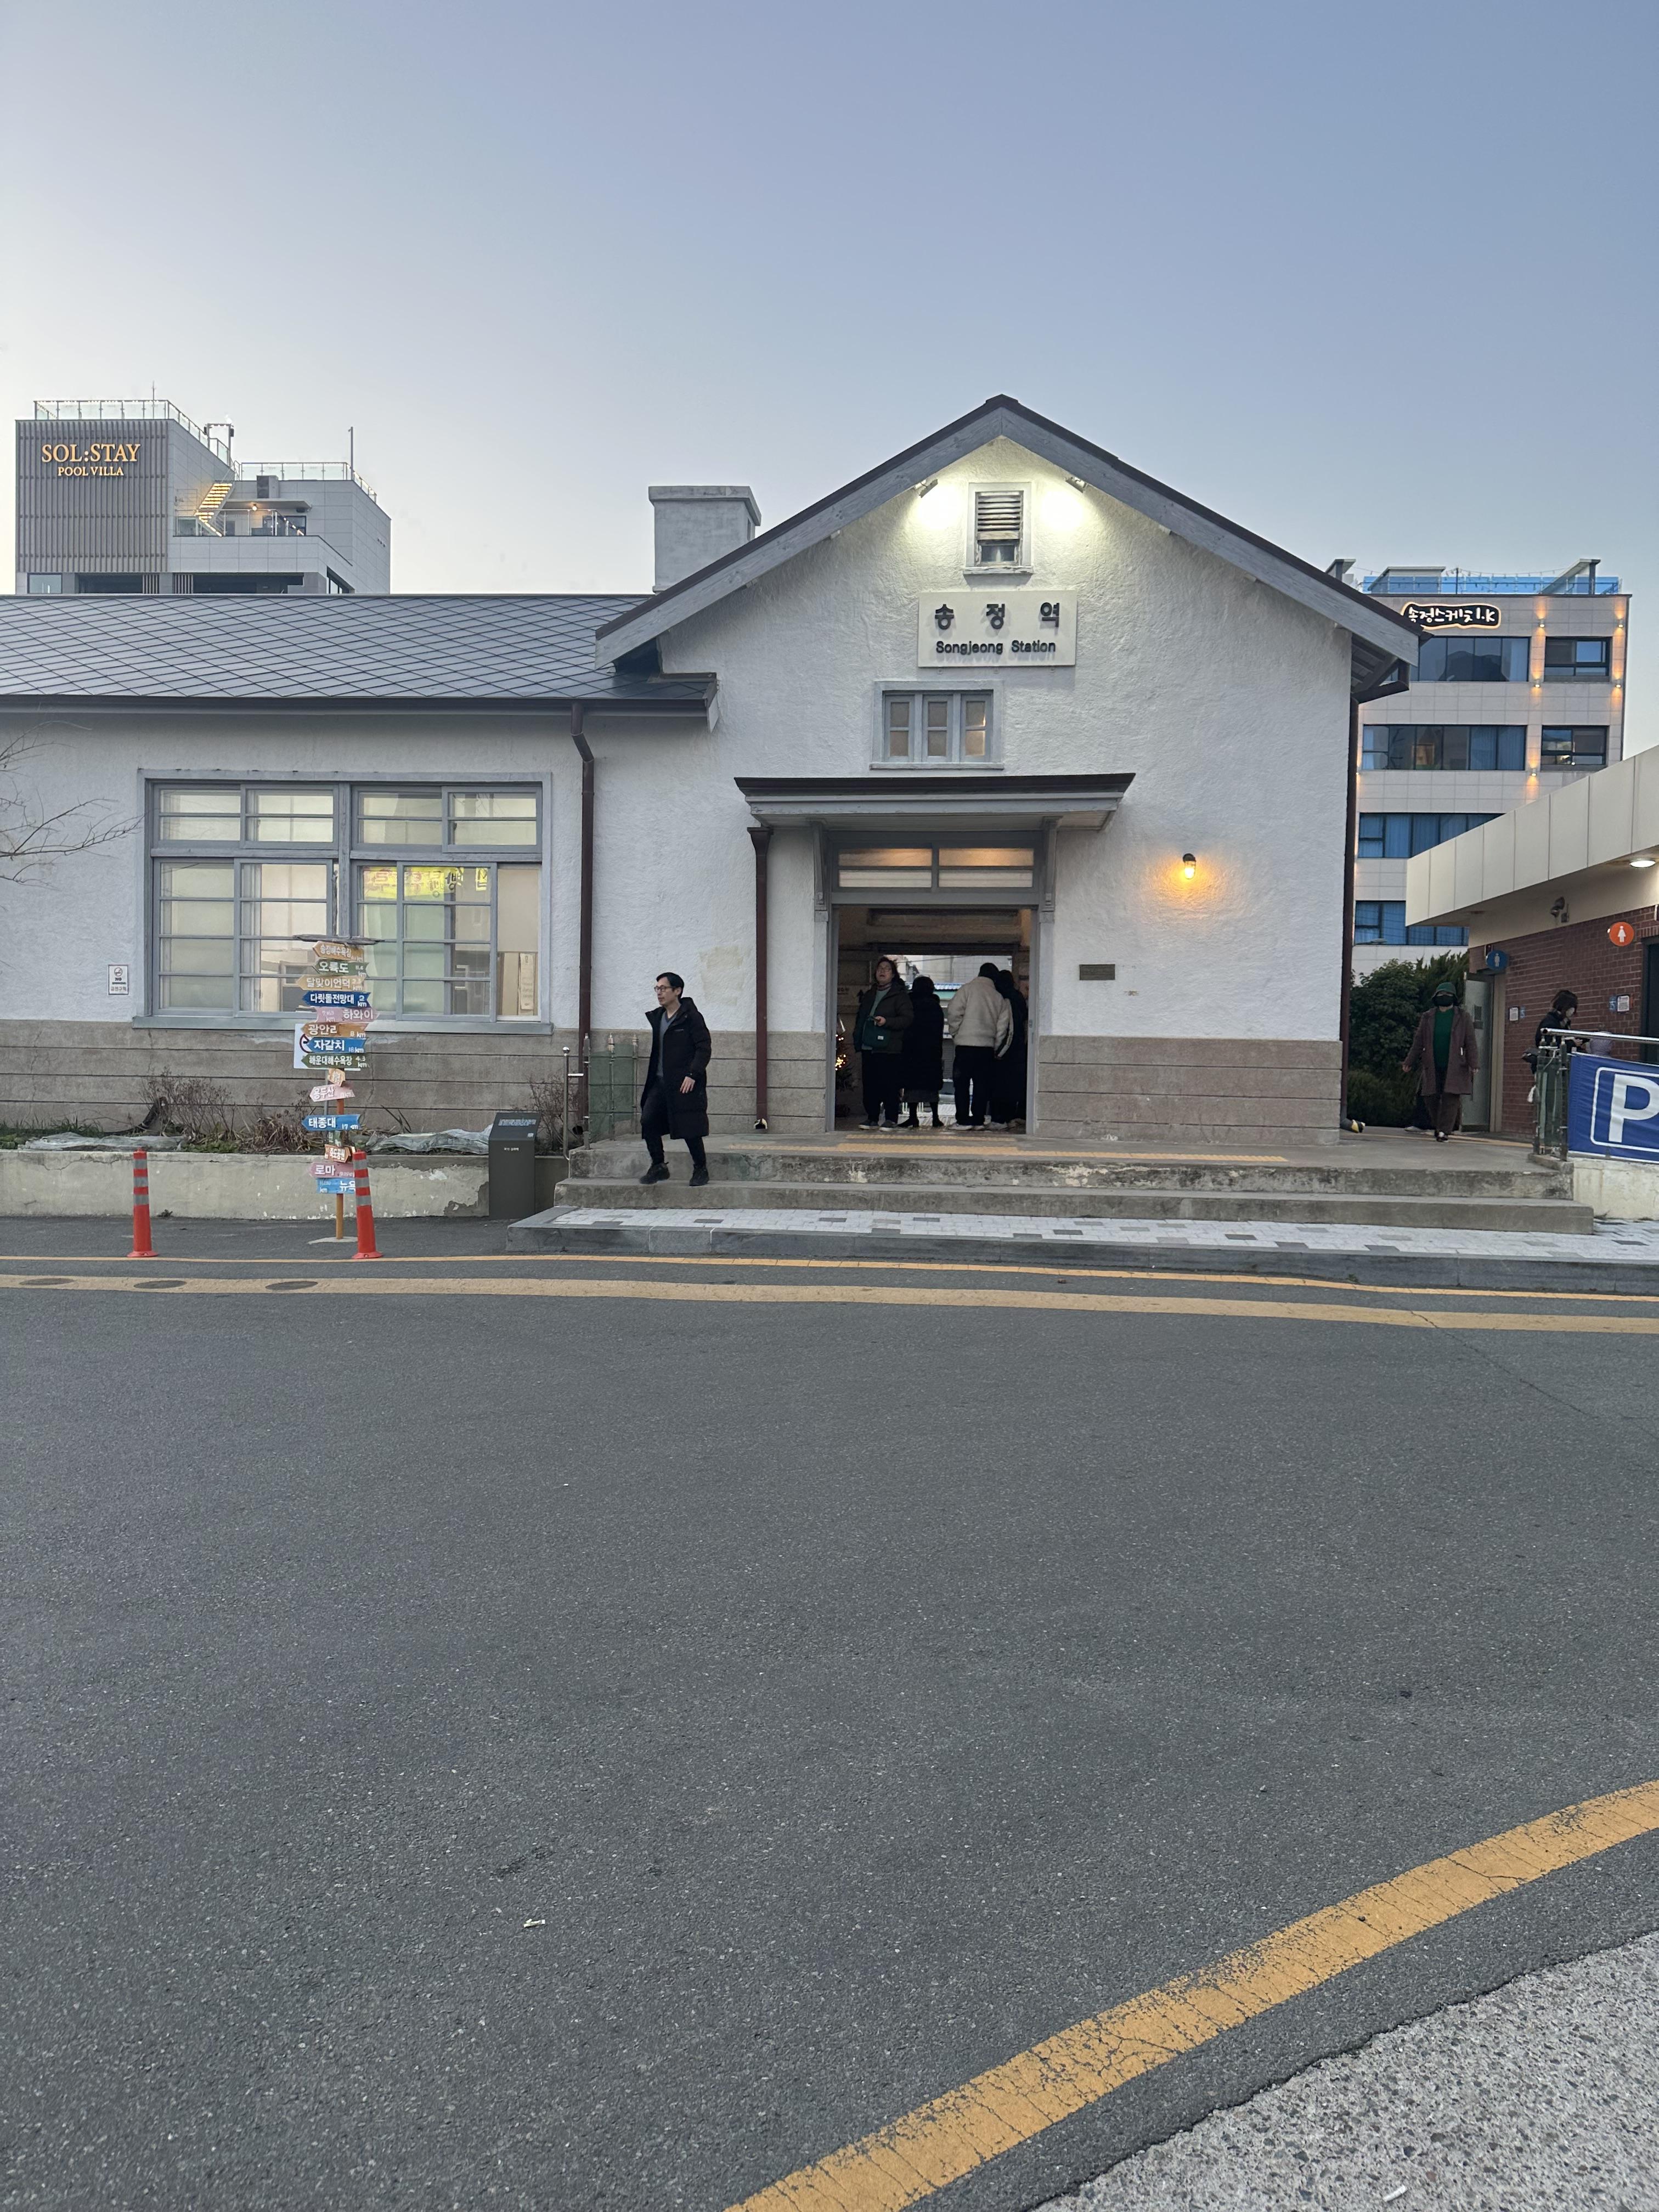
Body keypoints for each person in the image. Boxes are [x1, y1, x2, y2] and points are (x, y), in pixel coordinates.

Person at [639, 970, 712, 1186]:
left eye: (664, 988)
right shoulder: (658, 1017)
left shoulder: (691, 1017)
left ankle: (701, 1169)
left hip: (684, 1083)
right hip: (659, 1081)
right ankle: (658, 1166)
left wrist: (693, 1074)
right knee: (648, 1120)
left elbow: (704, 1048)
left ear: (677, 991)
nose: (659, 993)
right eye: (657, 989)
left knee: (689, 1126)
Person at [1402, 978, 1477, 1142]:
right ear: (1435, 997)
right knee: (1430, 1097)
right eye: (1441, 994)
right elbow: (1418, 1041)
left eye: (1448, 994)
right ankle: (1439, 1126)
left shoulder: (1463, 1017)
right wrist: (1409, 1061)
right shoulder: (1428, 1017)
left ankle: (1444, 1131)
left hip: (1456, 1065)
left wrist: (1474, 1063)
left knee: (1451, 1098)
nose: (1444, 997)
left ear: (1454, 998)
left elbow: (1470, 1041)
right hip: (1432, 1064)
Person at [945, 962, 1013, 1129]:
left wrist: (956, 1033)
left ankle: (962, 1120)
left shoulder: (966, 990)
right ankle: (978, 1119)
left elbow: (953, 1012)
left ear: (979, 973)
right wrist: (995, 1044)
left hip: (965, 1046)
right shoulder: (998, 997)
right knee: (982, 1085)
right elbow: (1002, 1027)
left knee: (961, 1084)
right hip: (986, 1048)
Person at [851, 956, 913, 1130]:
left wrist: (887, 1022)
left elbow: (907, 1019)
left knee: (890, 1084)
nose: (882, 971)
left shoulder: (899, 996)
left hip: (889, 1048)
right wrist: (857, 1037)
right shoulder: (870, 995)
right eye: (880, 969)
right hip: (868, 1046)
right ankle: (872, 1118)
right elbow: (861, 1018)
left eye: (887, 969)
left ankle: (891, 1118)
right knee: (870, 1084)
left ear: (893, 975)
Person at [897, 973, 945, 1128]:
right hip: (932, 1052)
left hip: (912, 1051)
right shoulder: (935, 1006)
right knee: (932, 1087)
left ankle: (913, 1118)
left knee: (912, 1085)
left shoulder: (910, 1005)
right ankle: (936, 1118)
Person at [988, 968, 1029, 1128]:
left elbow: (1007, 1028)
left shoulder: (1004, 998)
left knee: (999, 1085)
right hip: (1019, 1050)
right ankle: (1011, 1117)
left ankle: (999, 1120)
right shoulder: (1018, 998)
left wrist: (999, 1051)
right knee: (1013, 1085)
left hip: (1005, 1050)